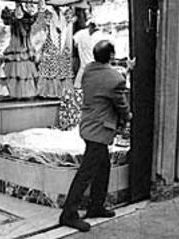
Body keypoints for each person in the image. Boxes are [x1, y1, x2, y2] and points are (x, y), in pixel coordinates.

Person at [58, 40, 132, 232]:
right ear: (111, 56)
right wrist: (128, 117)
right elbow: (121, 105)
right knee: (85, 174)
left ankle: (96, 206)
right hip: (100, 131)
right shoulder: (114, 79)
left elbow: (109, 76)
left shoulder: (89, 70)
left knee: (103, 167)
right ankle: (68, 214)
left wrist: (126, 69)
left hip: (88, 126)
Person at [73, 19, 108, 88]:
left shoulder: (80, 34)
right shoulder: (100, 35)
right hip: (93, 68)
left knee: (80, 88)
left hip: (85, 68)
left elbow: (75, 45)